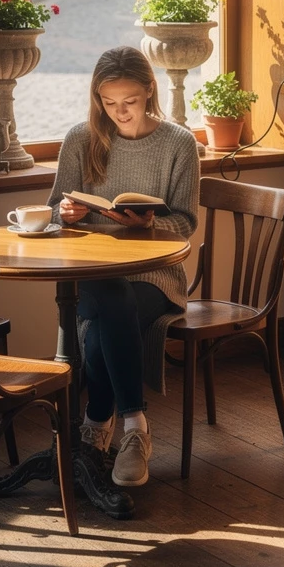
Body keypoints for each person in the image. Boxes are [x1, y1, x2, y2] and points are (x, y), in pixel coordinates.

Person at [48, 46, 200, 488]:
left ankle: (98, 422)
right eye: (109, 103)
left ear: (149, 91)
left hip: (155, 275)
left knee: (104, 321)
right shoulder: (81, 138)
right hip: (93, 270)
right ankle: (135, 426)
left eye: (129, 103)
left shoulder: (178, 142)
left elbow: (186, 223)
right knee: (110, 295)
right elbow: (57, 207)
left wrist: (151, 223)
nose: (120, 113)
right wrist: (69, 214)